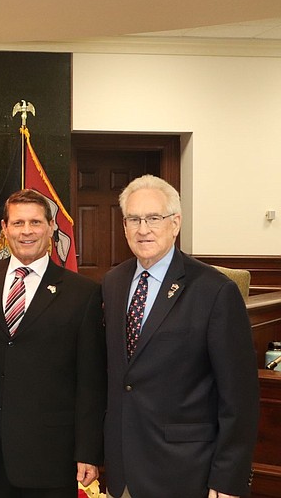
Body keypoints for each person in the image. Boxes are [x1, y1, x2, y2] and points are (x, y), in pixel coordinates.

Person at [103, 174, 259, 498]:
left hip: (187, 472)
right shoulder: (113, 282)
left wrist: (228, 478)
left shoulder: (215, 291)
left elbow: (239, 397)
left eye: (153, 218)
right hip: (123, 471)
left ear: (175, 223)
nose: (142, 228)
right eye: (134, 219)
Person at [0, 189, 106, 498]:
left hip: (50, 458)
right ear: (4, 228)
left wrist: (88, 451)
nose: (26, 231)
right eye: (17, 223)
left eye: (35, 222)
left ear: (51, 227)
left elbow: (91, 380)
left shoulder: (82, 293)